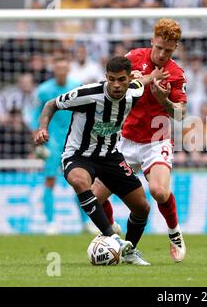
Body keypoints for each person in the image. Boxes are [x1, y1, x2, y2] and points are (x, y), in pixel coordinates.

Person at [33, 56, 166, 265]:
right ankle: (111, 237)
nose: (116, 85)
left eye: (121, 80)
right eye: (111, 79)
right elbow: (51, 104)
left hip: (111, 155)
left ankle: (129, 251)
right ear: (106, 77)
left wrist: (154, 75)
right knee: (79, 181)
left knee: (142, 207)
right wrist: (42, 128)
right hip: (78, 154)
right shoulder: (87, 94)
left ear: (129, 78)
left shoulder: (134, 90)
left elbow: (144, 81)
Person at [92, 18, 187, 263]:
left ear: (175, 48)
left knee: (158, 191)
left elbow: (180, 114)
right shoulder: (133, 58)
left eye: (169, 50)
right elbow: (110, 86)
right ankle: (112, 230)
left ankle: (174, 233)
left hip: (157, 140)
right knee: (95, 196)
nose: (162, 54)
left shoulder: (175, 74)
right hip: (124, 140)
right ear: (152, 41)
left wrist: (164, 100)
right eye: (159, 47)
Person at [31, 53, 96, 234]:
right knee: (50, 180)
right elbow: (34, 117)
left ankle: (86, 222)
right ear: (53, 68)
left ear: (68, 67)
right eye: (57, 65)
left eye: (64, 65)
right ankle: (50, 223)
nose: (61, 69)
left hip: (75, 142)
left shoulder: (76, 87)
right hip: (52, 142)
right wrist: (38, 141)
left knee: (81, 181)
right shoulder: (43, 91)